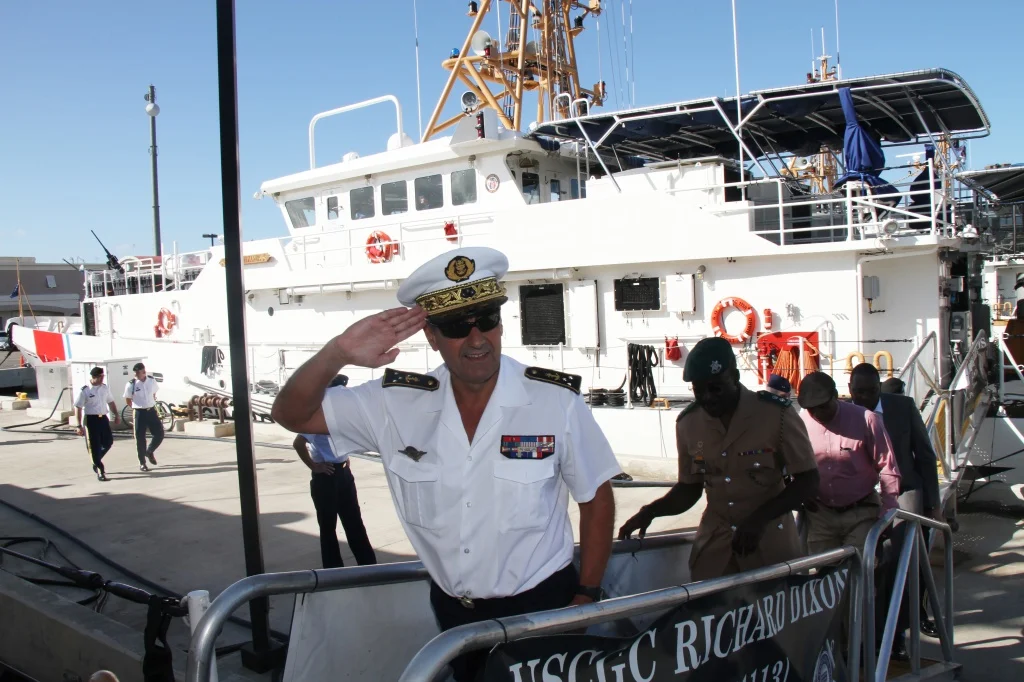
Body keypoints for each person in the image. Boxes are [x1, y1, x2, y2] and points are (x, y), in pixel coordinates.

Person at [271, 247, 620, 682]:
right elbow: (293, 415)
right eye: (457, 326)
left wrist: (587, 595)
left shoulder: (554, 401)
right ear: (431, 336)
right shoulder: (393, 402)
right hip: (455, 617)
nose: (477, 340)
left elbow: (596, 496)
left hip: (544, 609)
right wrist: (337, 352)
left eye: (487, 320)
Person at [618, 336, 820, 581]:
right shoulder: (689, 425)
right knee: (709, 613)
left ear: (734, 377)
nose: (707, 397)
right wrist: (650, 512)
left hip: (770, 545)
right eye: (698, 390)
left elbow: (808, 480)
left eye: (715, 388)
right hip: (716, 548)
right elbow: (689, 489)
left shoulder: (776, 416)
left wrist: (758, 520)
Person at [849, 362, 942, 657]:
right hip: (864, 495)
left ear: (879, 388)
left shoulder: (903, 408)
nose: (863, 398)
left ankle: (897, 633)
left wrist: (934, 505)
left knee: (899, 560)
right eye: (857, 392)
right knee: (867, 565)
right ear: (849, 391)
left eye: (870, 391)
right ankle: (859, 634)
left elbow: (925, 456)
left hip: (904, 491)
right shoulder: (844, 413)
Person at [797, 371, 901, 555]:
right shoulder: (802, 422)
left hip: (861, 513)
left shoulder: (867, 419)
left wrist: (888, 507)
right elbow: (794, 463)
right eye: (812, 408)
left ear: (835, 396)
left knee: (857, 571)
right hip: (820, 515)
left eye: (823, 406)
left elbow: (887, 465)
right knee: (825, 576)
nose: (817, 413)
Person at [292, 375, 377, 569]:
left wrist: (344, 457)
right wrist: (314, 466)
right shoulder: (318, 414)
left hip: (344, 474)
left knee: (354, 522)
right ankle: (333, 571)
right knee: (328, 527)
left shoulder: (341, 414)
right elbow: (298, 443)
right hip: (326, 476)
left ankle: (369, 566)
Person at [75, 367, 120, 481]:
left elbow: (110, 402)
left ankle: (95, 460)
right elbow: (78, 407)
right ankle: (100, 470)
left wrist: (116, 415)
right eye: (101, 376)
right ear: (95, 377)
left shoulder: (104, 388)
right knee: (94, 446)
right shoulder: (85, 390)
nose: (103, 378)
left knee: (108, 442)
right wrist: (78, 425)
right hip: (91, 420)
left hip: (103, 418)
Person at [124, 362, 163, 471]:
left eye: (139, 372)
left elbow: (154, 393)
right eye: (136, 373)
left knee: (159, 434)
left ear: (143, 371)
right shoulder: (131, 384)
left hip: (151, 411)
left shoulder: (151, 380)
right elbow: (127, 399)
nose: (137, 375)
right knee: (140, 438)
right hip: (139, 413)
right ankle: (142, 463)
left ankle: (149, 451)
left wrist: (150, 402)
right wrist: (136, 407)